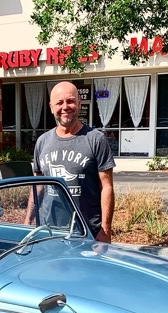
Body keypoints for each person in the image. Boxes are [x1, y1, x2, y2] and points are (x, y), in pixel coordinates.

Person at [32, 81, 115, 242]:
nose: (65, 107)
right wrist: (28, 221)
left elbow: (107, 186)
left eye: (70, 101)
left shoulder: (96, 139)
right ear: (51, 107)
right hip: (50, 232)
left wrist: (105, 230)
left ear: (79, 103)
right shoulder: (42, 142)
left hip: (88, 232)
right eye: (59, 102)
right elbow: (37, 186)